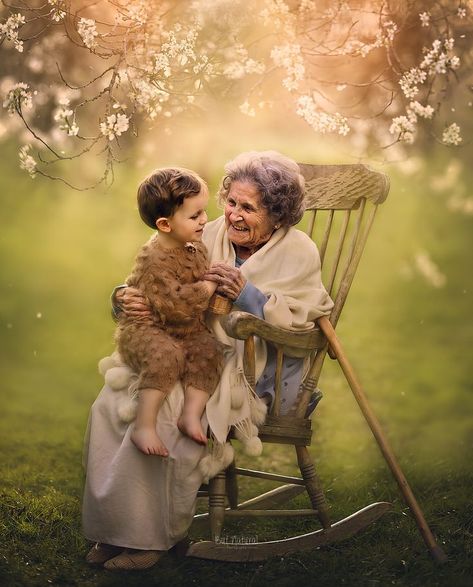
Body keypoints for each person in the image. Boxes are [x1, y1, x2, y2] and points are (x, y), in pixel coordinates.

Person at [82, 151, 334, 570]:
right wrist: (123, 297)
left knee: (167, 410)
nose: (232, 215)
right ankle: (114, 530)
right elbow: (155, 269)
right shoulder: (205, 230)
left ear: (277, 214)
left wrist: (247, 294)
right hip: (184, 347)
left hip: (244, 369)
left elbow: (301, 319)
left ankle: (150, 538)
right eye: (231, 202)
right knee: (110, 402)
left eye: (248, 208)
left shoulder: (298, 250)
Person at [114, 167, 223, 457]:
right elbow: (177, 305)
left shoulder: (193, 245)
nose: (204, 220)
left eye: (204, 212)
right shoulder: (153, 258)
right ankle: (144, 425)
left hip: (184, 329)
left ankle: (190, 415)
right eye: (195, 216)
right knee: (167, 356)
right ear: (165, 224)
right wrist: (209, 286)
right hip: (146, 329)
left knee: (208, 349)